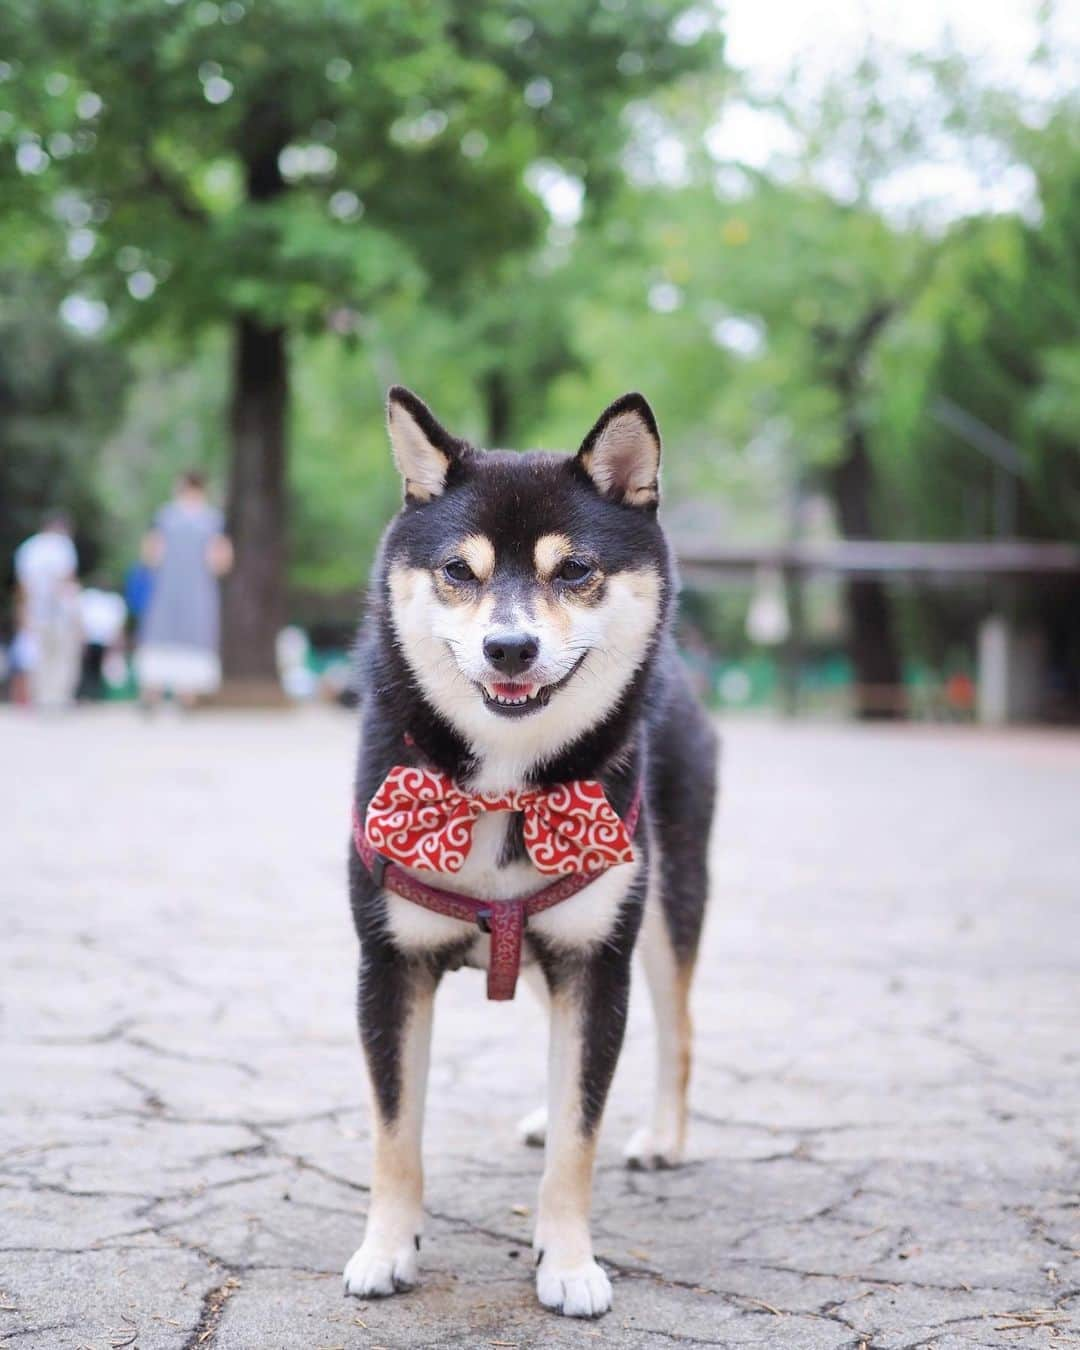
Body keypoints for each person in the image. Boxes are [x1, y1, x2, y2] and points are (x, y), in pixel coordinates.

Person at [134, 471, 233, 708]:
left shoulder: (167, 516)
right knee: (188, 636)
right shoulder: (210, 520)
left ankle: (159, 694)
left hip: (172, 589)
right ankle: (181, 696)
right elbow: (222, 560)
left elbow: (150, 553)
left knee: (164, 636)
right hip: (193, 590)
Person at [13, 513, 83, 710]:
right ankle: (58, 699)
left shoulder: (28, 548)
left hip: (36, 610)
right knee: (62, 655)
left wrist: (23, 612)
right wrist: (75, 613)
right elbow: (66, 580)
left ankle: (41, 699)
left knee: (40, 655)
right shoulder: (63, 546)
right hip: (59, 611)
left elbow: (23, 586)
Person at [77, 581, 127, 701]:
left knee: (99, 670)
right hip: (92, 639)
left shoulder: (113, 601)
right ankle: (86, 694)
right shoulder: (90, 598)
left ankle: (96, 695)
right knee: (88, 669)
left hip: (105, 640)